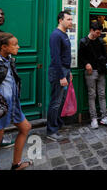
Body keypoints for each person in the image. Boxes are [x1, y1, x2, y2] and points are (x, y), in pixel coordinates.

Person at [0, 32, 32, 170]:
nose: (18, 46)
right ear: (4, 47)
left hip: (13, 102)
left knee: (26, 127)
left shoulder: (9, 59)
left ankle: (15, 164)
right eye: (15, 44)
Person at [79, 22, 107, 129]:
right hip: (90, 72)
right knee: (92, 95)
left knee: (102, 94)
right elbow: (81, 57)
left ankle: (104, 116)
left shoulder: (100, 41)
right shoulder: (83, 42)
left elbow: (104, 54)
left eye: (100, 32)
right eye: (97, 32)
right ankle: (93, 119)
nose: (99, 34)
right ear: (91, 30)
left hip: (101, 70)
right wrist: (86, 64)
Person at [46, 11, 73, 141]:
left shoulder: (64, 34)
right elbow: (55, 57)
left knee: (61, 100)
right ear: (60, 20)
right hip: (58, 72)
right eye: (68, 19)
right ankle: (51, 130)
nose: (70, 22)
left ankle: (57, 123)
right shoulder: (56, 35)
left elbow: (65, 55)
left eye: (71, 19)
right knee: (55, 102)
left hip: (65, 70)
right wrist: (62, 76)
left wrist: (69, 71)